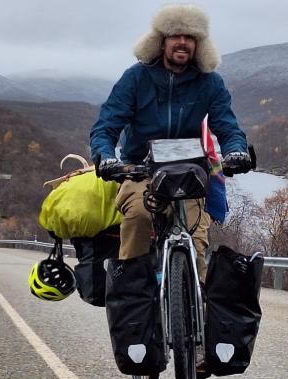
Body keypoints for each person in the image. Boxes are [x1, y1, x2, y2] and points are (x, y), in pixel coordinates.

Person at [90, 3, 252, 282]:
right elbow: (106, 125)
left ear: (198, 44)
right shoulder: (136, 78)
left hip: (190, 172)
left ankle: (197, 304)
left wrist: (236, 151)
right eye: (176, 35)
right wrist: (105, 156)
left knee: (196, 243)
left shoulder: (210, 82)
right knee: (138, 218)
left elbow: (227, 126)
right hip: (140, 171)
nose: (182, 42)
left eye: (190, 37)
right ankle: (129, 295)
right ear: (161, 40)